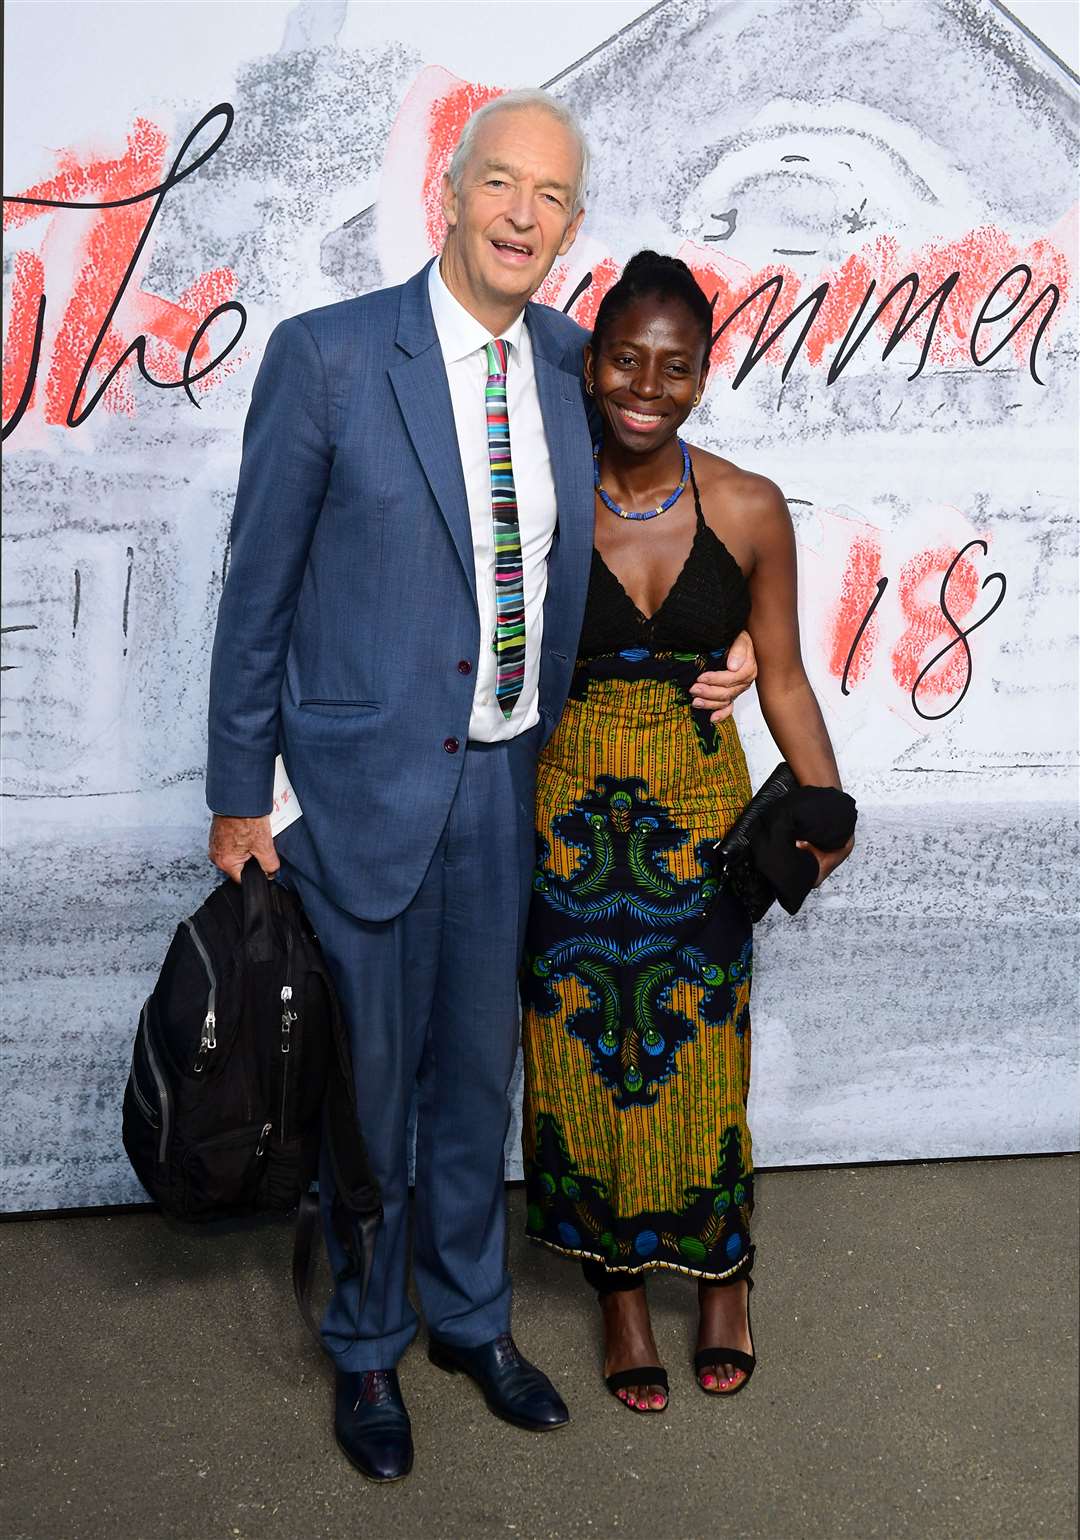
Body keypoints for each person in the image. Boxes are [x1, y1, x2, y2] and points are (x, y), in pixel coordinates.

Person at [204, 100, 757, 1480]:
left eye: (552, 196)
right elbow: (256, 590)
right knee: (368, 1087)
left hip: (516, 786)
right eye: (499, 182)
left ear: (573, 225)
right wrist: (239, 796)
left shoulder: (580, 365)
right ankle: (367, 1346)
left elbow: (678, 494)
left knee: (474, 1079)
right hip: (355, 792)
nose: (522, 213)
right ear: (449, 193)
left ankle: (466, 1316)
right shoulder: (328, 359)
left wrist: (743, 633)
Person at [520, 250, 855, 1414]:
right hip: (564, 807)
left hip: (702, 813)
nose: (645, 385)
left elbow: (788, 681)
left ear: (705, 374)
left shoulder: (750, 505)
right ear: (591, 361)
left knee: (703, 1052)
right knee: (580, 1055)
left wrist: (828, 805)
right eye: (624, 358)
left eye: (673, 366)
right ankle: (616, 1290)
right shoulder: (545, 494)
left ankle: (723, 1276)